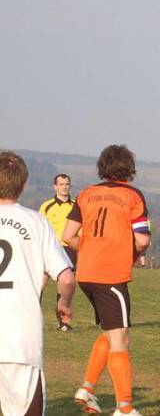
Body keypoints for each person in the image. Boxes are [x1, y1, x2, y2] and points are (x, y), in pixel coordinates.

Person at [62, 145, 151, 416]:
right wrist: (133, 252)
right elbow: (143, 240)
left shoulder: (86, 193)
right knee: (121, 340)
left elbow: (68, 235)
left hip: (86, 273)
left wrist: (89, 250)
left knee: (110, 332)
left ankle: (87, 390)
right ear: (128, 167)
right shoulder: (132, 195)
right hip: (111, 274)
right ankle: (125, 408)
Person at [0, 151, 75, 416]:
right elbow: (66, 277)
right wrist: (64, 305)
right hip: (21, 340)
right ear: (24, 185)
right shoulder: (36, 222)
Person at [38, 173, 78, 331]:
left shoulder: (76, 205)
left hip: (68, 249)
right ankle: (33, 317)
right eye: (61, 184)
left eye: (67, 184)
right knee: (41, 283)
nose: (64, 187)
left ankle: (63, 322)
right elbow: (39, 227)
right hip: (49, 247)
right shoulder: (46, 206)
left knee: (64, 286)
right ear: (55, 187)